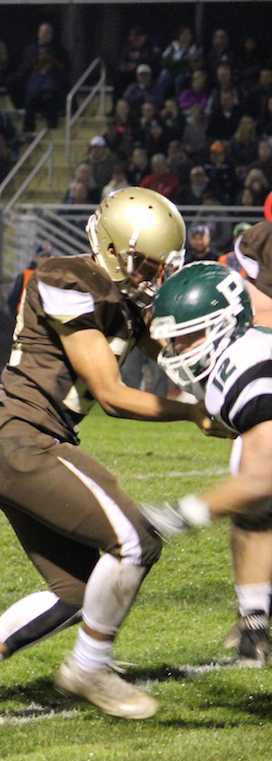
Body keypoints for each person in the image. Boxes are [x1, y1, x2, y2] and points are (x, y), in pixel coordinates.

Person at [0, 188, 226, 724]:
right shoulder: (66, 278)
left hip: (28, 445)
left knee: (83, 591)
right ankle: (91, 667)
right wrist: (192, 413)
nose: (155, 276)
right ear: (111, 248)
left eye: (163, 265)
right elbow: (111, 394)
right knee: (135, 540)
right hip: (23, 440)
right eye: (147, 263)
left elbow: (181, 355)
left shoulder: (126, 300)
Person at [143, 262, 272, 666]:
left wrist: (177, 516)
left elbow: (264, 475)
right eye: (176, 339)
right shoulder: (249, 341)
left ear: (227, 324)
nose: (180, 349)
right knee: (253, 510)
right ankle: (254, 626)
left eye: (190, 336)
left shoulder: (245, 366)